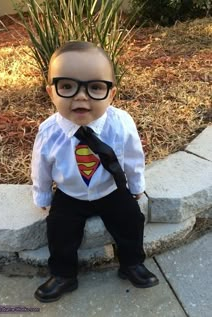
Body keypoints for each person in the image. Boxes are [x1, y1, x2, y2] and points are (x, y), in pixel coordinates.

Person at [31, 41, 159, 303]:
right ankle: (64, 274)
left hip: (109, 188)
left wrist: (136, 187)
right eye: (67, 86)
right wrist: (43, 196)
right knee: (59, 229)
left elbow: (134, 157)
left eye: (95, 87)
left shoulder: (121, 124)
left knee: (131, 221)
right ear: (50, 92)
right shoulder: (49, 132)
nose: (81, 96)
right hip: (70, 193)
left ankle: (132, 263)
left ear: (111, 94)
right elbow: (41, 167)